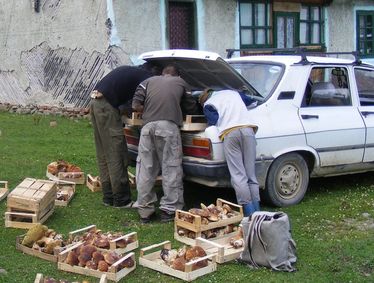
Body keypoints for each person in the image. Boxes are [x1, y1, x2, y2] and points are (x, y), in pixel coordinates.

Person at [132, 64, 200, 223]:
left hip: (147, 128)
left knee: (145, 169)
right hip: (168, 128)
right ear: (178, 75)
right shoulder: (181, 82)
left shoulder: (147, 81)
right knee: (171, 167)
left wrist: (149, 109)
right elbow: (191, 107)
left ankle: (145, 211)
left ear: (163, 74)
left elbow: (135, 105)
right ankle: (169, 210)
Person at [90, 63, 158, 208]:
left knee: (103, 151)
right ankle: (121, 200)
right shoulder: (147, 79)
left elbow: (127, 101)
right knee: (116, 151)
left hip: (96, 102)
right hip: (106, 106)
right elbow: (136, 103)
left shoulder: (132, 72)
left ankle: (109, 197)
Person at [199, 89, 260, 217]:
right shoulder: (233, 93)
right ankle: (258, 213)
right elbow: (251, 101)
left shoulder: (209, 104)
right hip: (249, 130)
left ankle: (249, 214)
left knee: (239, 175)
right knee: (251, 175)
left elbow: (213, 121)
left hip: (231, 134)